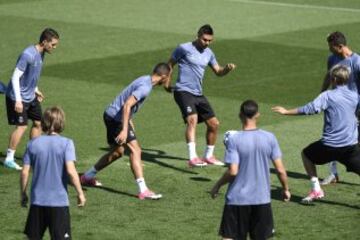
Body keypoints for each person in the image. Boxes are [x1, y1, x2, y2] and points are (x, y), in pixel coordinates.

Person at [81, 63, 171, 200]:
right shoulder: (145, 87)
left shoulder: (144, 79)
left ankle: (87, 177)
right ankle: (143, 190)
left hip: (111, 115)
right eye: (169, 77)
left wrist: (129, 124)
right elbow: (127, 104)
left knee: (118, 152)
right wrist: (124, 129)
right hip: (116, 119)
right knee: (136, 150)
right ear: (164, 76)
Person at [273, 64, 360, 203]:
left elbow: (309, 109)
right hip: (350, 146)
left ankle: (316, 189)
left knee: (306, 154)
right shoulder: (355, 95)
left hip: (330, 146)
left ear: (333, 79)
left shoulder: (327, 96)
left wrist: (286, 111)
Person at [211, 100, 290, 240]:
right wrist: (285, 189)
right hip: (262, 199)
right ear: (257, 114)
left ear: (240, 115)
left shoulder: (234, 140)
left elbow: (233, 171)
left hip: (237, 199)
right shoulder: (270, 138)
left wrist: (217, 185)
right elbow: (281, 170)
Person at [167, 24, 236, 167]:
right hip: (183, 91)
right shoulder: (183, 48)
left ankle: (208, 156)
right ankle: (192, 158)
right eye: (205, 40)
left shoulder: (209, 53)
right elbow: (170, 64)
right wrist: (166, 83)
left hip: (198, 94)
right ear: (198, 35)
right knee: (192, 119)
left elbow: (218, 71)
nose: (207, 43)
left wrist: (227, 70)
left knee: (214, 124)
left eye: (210, 40)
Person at [20, 106, 86, 240]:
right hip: (59, 203)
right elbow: (71, 172)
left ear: (44, 123)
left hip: (37, 201)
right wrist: (80, 193)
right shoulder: (67, 143)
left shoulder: (32, 144)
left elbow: (25, 172)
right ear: (61, 122)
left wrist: (23, 193)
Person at [4, 28, 60, 170]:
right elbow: (16, 77)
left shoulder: (41, 53)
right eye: (53, 44)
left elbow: (30, 75)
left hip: (30, 96)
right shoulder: (27, 54)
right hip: (18, 97)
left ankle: (33, 153)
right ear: (44, 41)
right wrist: (17, 100)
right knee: (22, 126)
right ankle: (9, 158)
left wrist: (35, 89)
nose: (54, 47)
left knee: (38, 123)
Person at [320, 31, 360, 185]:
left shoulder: (357, 62)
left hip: (355, 108)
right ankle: (333, 173)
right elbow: (328, 76)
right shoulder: (332, 59)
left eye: (331, 47)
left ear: (340, 46)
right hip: (337, 107)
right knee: (334, 138)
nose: (329, 49)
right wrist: (322, 94)